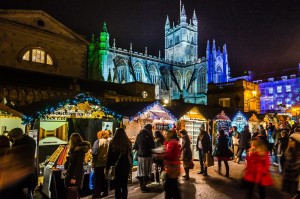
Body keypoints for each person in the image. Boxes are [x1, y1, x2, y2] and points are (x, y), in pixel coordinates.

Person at [8, 128, 37, 199]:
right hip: (24, 171)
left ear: (20, 135)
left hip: (25, 171)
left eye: (15, 138)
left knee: (26, 192)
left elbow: (15, 152)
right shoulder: (28, 141)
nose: (14, 139)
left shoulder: (28, 142)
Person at [106, 128, 132, 199]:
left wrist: (107, 167)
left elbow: (109, 156)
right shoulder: (128, 142)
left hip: (116, 167)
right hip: (125, 166)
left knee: (117, 185)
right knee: (124, 185)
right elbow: (130, 156)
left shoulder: (113, 142)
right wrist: (130, 166)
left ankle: (117, 197)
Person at [64, 133, 91, 198]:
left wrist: (74, 177)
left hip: (74, 174)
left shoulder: (79, 150)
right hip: (72, 173)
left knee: (73, 191)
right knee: (73, 192)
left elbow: (79, 164)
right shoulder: (74, 149)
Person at [133, 124, 154, 192]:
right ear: (150, 129)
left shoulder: (139, 134)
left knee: (141, 171)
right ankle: (143, 187)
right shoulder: (149, 135)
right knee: (146, 171)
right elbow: (152, 145)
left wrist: (138, 149)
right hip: (147, 156)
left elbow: (135, 146)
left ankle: (142, 185)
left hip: (140, 156)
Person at [282, 132, 300, 198]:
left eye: (292, 141)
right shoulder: (289, 152)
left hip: (295, 183)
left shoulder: (298, 155)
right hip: (288, 180)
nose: (290, 142)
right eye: (290, 140)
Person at [164, 129, 181, 199]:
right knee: (173, 186)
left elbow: (169, 155)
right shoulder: (175, 142)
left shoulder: (172, 143)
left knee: (171, 187)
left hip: (172, 167)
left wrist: (162, 155)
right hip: (174, 166)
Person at [92, 130, 109, 199]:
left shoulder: (97, 141)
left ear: (99, 135)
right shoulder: (108, 142)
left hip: (98, 163)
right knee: (105, 178)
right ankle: (105, 192)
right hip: (106, 163)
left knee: (98, 180)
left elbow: (94, 152)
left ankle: (97, 194)